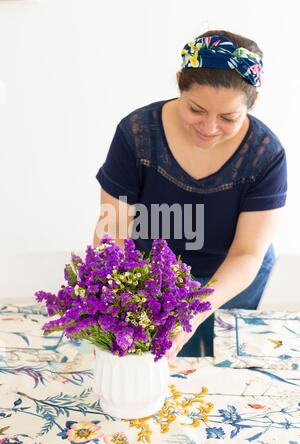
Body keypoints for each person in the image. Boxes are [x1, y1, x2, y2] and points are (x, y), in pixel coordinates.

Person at [93, 30, 288, 359]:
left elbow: (247, 254)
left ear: (251, 104)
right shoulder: (136, 134)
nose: (210, 127)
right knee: (156, 370)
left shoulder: (266, 155)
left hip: (232, 279)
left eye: (228, 118)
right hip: (149, 275)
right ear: (180, 82)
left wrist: (193, 312)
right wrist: (117, 295)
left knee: (224, 374)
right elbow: (113, 230)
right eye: (197, 109)